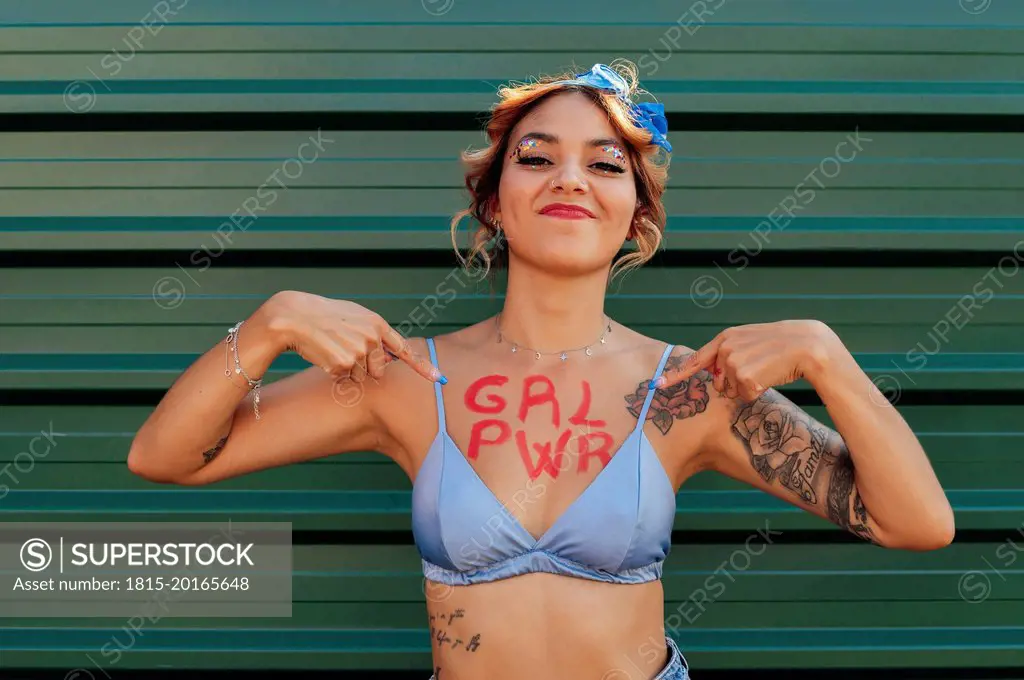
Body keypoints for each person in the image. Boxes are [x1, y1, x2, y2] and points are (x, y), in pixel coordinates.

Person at [127, 60, 955, 680]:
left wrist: (825, 354)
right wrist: (269, 324)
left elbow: (916, 523)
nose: (570, 178)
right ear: (493, 201)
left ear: (638, 213)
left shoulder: (688, 390)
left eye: (605, 164)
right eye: (537, 157)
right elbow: (164, 456)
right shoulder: (405, 379)